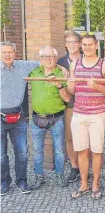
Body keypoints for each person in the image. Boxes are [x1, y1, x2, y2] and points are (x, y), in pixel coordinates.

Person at [67, 33, 105, 200]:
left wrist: (97, 86)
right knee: (81, 151)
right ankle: (84, 184)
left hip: (97, 115)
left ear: (96, 45)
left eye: (90, 44)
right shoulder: (75, 64)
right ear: (81, 46)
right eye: (84, 44)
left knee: (97, 151)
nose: (87, 47)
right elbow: (72, 91)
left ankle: (95, 184)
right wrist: (69, 86)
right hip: (78, 114)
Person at [29, 46, 71, 190]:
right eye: (44, 56)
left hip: (56, 119)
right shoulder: (34, 72)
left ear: (56, 57)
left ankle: (60, 174)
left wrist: (59, 85)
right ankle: (38, 175)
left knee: (59, 150)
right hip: (36, 119)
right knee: (37, 150)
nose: (47, 59)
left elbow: (67, 97)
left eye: (51, 56)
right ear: (40, 59)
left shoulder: (62, 74)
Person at [0, 42, 40, 195]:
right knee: (1, 155)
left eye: (10, 52)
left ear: (15, 53)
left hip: (18, 116)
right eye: (4, 52)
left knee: (22, 152)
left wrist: (62, 68)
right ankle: (4, 182)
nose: (7, 55)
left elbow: (44, 62)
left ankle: (22, 181)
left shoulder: (23, 66)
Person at [57, 31, 82, 183]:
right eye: (69, 42)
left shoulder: (87, 58)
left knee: (87, 138)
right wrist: (60, 67)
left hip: (87, 104)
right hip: (70, 105)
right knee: (71, 138)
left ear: (79, 43)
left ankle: (86, 166)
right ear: (65, 44)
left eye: (75, 42)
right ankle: (74, 167)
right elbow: (44, 63)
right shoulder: (60, 61)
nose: (72, 45)